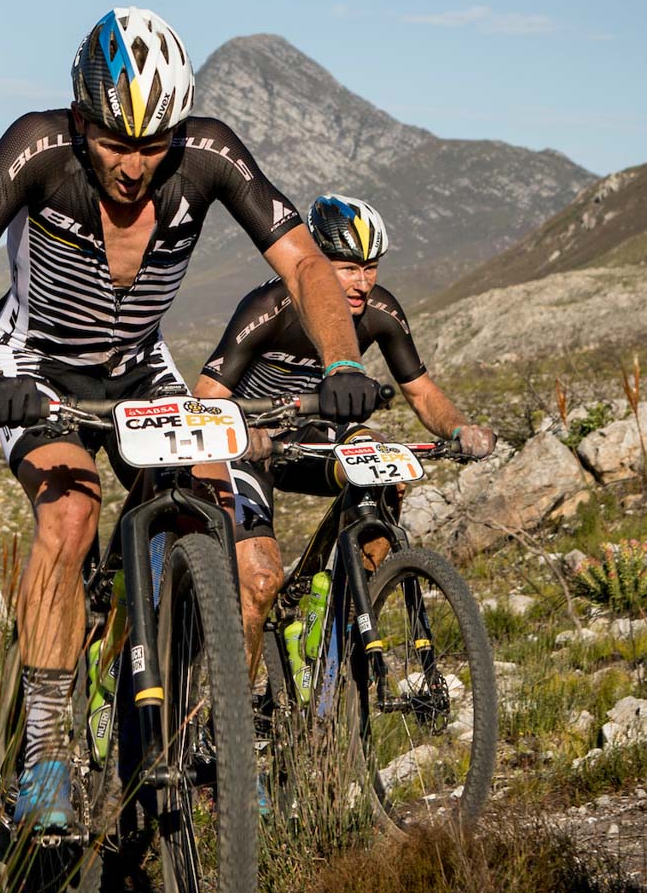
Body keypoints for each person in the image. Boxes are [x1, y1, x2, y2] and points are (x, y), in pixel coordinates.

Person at [0, 7, 384, 831]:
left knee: (220, 509)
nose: (133, 166)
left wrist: (343, 362)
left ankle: (206, 727)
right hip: (33, 364)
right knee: (71, 513)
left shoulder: (207, 154)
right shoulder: (39, 146)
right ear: (81, 118)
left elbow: (306, 262)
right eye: (114, 142)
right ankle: (48, 750)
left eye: (151, 145)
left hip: (139, 364)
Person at [191, 193, 496, 670]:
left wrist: (460, 428)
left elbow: (420, 391)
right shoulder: (270, 307)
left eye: (370, 267)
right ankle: (238, 710)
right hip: (251, 446)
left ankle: (333, 608)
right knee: (260, 584)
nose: (362, 282)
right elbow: (207, 393)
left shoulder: (381, 312)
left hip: (313, 438)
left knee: (383, 465)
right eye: (347, 267)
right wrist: (239, 431)